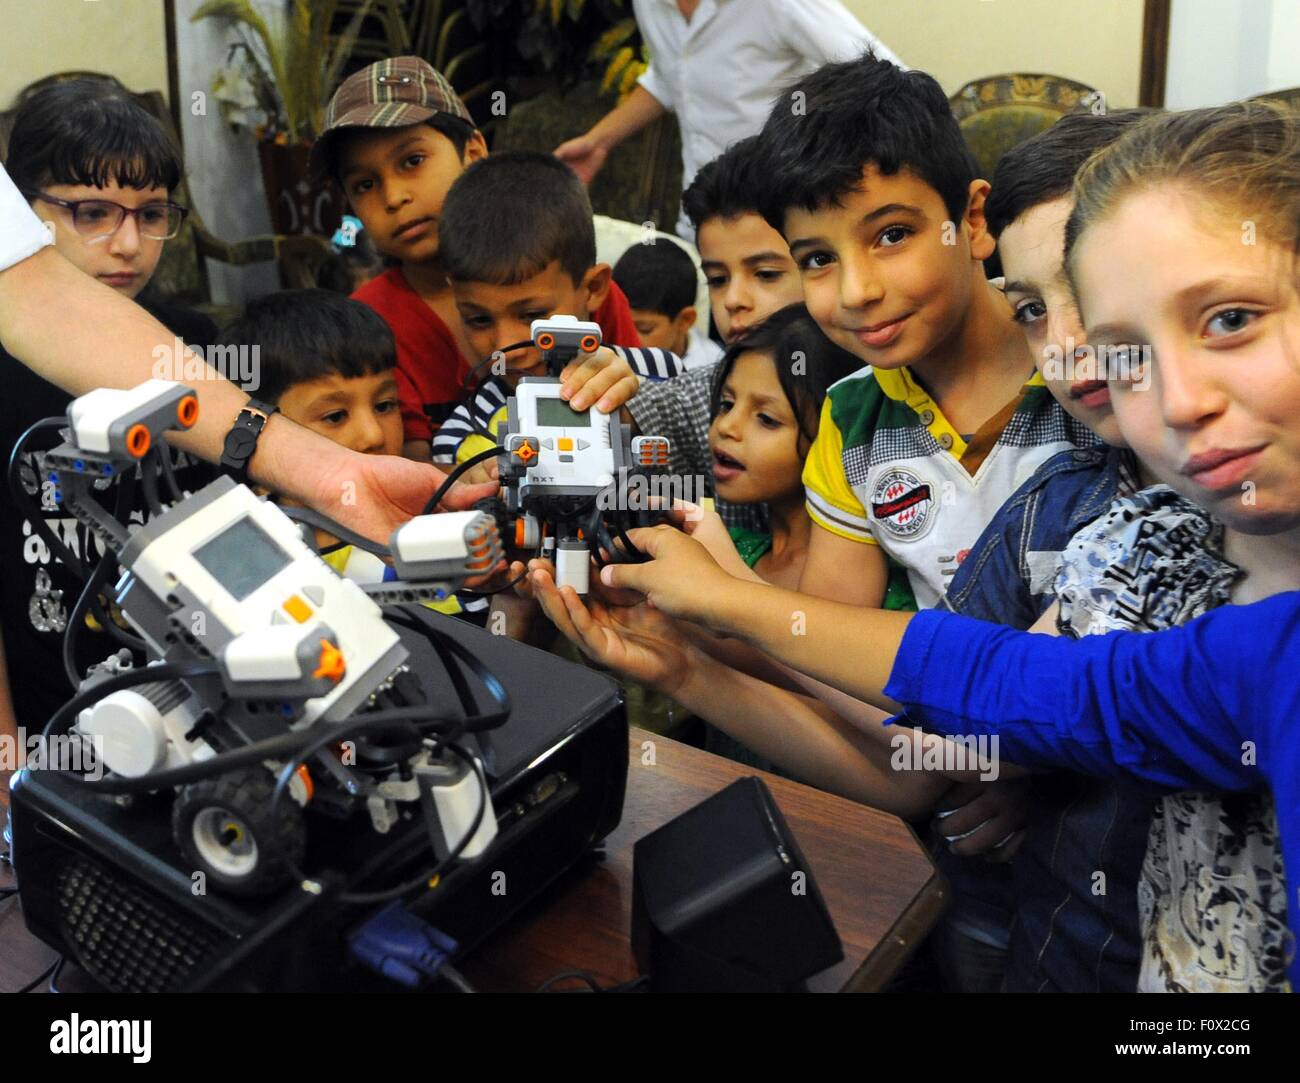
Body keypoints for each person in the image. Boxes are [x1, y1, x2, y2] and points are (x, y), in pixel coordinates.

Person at [543, 100, 1300, 994]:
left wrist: (731, 607)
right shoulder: (1145, 545)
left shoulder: (1100, 477)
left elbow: (986, 724)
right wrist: (699, 646)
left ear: (966, 220)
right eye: (1113, 338)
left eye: (1228, 320)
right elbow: (970, 718)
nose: (1172, 397)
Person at [0, 80, 215, 751]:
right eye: (92, 212)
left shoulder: (195, 348)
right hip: (50, 720)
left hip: (197, 701)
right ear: (20, 216)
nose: (128, 244)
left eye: (151, 214)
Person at [315, 57, 645, 464]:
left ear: (473, 152)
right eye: (364, 184)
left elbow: (639, 405)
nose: (394, 196)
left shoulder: (580, 291)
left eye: (413, 161)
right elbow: (406, 468)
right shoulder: (368, 323)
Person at [428, 152, 683, 475]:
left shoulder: (662, 375)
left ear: (593, 288)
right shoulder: (461, 438)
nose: (505, 346)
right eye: (479, 319)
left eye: (532, 314)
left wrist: (639, 413)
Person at [554, 0, 901, 237]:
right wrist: (600, 141)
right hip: (701, 215)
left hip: (781, 220)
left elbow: (885, 77)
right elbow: (670, 77)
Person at [612, 238, 722, 370]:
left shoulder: (713, 373)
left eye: (644, 329)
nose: (625, 339)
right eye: (619, 324)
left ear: (685, 320)